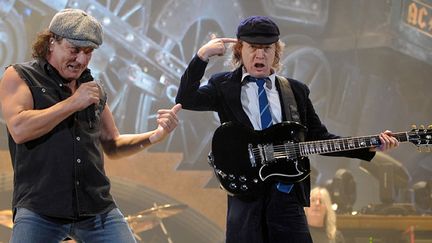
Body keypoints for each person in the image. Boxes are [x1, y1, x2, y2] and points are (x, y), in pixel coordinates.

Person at [175, 15, 399, 243]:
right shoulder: (223, 85)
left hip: (286, 198)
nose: (260, 55)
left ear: (276, 51)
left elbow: (319, 138)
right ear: (240, 49)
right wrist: (202, 56)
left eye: (267, 48)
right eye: (253, 47)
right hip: (246, 199)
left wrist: (368, 146)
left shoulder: (296, 91)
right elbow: (185, 98)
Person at [0, 8, 181, 243]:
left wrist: (155, 135)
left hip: (97, 209)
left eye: (89, 52)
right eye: (74, 50)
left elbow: (112, 144)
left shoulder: (93, 89)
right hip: (39, 209)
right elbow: (19, 129)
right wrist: (73, 102)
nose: (82, 60)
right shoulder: (21, 76)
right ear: (52, 42)